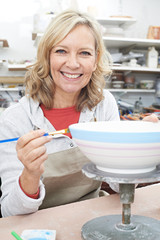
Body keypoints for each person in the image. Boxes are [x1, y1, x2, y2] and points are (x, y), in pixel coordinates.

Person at [0, 10, 158, 218]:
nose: (73, 63)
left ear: (95, 60)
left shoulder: (103, 104)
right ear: (47, 56)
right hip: (35, 224)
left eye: (84, 53)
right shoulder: (14, 120)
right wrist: (30, 174)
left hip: (92, 213)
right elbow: (9, 212)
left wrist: (137, 152)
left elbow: (119, 187)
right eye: (61, 51)